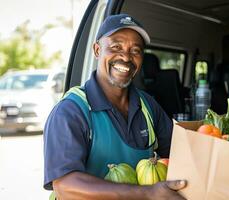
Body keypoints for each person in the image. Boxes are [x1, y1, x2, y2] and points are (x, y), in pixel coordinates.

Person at [43, 13, 187, 200]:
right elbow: (65, 185)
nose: (126, 57)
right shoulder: (71, 111)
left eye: (135, 50)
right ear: (97, 50)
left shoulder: (148, 105)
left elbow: (180, 156)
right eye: (116, 47)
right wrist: (147, 193)